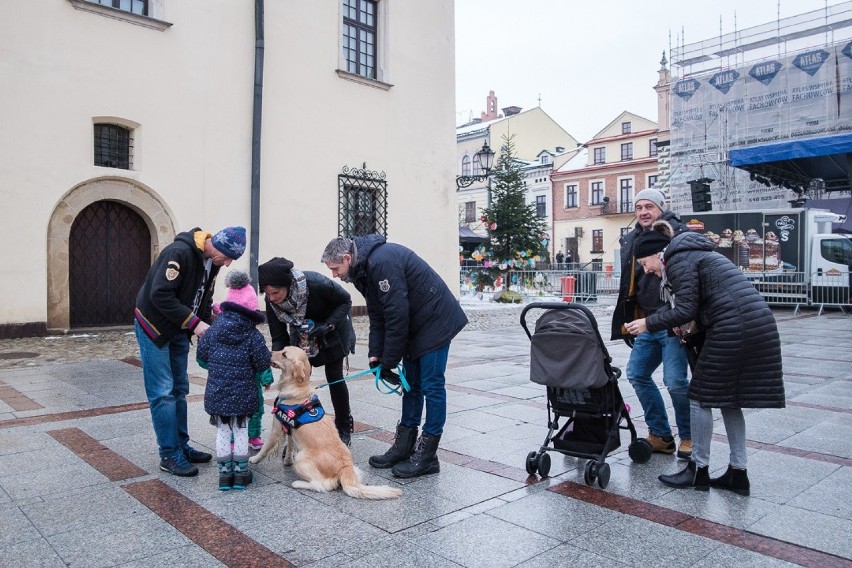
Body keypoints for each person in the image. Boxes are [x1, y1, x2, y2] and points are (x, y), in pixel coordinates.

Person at [625, 221, 785, 495]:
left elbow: (686, 308)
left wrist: (648, 323)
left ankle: (698, 470)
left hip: (734, 327)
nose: (646, 270)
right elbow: (703, 303)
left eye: (644, 262)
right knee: (730, 400)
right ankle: (738, 473)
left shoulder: (677, 260)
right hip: (756, 323)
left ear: (657, 254)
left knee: (699, 397)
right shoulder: (695, 254)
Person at [321, 235, 468, 478]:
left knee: (431, 385)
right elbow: (378, 315)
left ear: (347, 258)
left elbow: (396, 316)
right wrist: (376, 356)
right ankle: (404, 445)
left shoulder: (381, 262)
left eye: (335, 269)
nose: (334, 275)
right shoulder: (362, 271)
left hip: (435, 320)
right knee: (411, 385)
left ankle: (428, 455)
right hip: (416, 322)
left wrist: (389, 361)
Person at [134, 226, 246, 477]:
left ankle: (181, 446)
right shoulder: (179, 253)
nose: (227, 264)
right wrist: (196, 324)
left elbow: (203, 298)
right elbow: (160, 294)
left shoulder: (211, 263)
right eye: (228, 258)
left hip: (179, 328)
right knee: (162, 392)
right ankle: (169, 453)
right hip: (153, 326)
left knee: (179, 389)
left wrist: (207, 329)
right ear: (219, 246)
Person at [611, 188, 692, 459]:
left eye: (649, 206)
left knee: (675, 381)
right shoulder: (631, 239)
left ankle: (689, 437)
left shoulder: (676, 234)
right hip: (645, 319)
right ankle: (660, 435)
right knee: (637, 374)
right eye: (639, 207)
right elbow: (628, 284)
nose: (643, 212)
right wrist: (628, 321)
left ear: (660, 208)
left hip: (672, 321)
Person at [258, 257, 357, 445]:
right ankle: (292, 423)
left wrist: (327, 326)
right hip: (302, 337)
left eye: (275, 292)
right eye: (267, 293)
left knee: (334, 376)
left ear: (286, 285)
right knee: (296, 379)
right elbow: (278, 334)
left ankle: (344, 426)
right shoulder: (272, 302)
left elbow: (345, 301)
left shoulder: (316, 283)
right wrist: (278, 358)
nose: (271, 298)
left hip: (332, 332)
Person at [197, 270, 272, 491]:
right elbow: (261, 363)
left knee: (223, 432)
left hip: (217, 393)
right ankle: (241, 473)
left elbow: (202, 357)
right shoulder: (252, 335)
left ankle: (224, 475)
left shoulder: (212, 331)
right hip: (244, 394)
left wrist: (217, 367)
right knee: (241, 431)